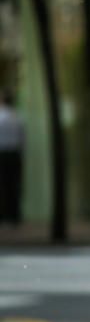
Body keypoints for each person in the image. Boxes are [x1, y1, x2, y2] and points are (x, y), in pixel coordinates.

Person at [0, 89, 24, 227]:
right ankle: (14, 216)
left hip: (2, 153)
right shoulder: (17, 117)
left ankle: (4, 215)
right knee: (14, 184)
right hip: (14, 154)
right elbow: (22, 139)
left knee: (3, 185)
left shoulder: (1, 116)